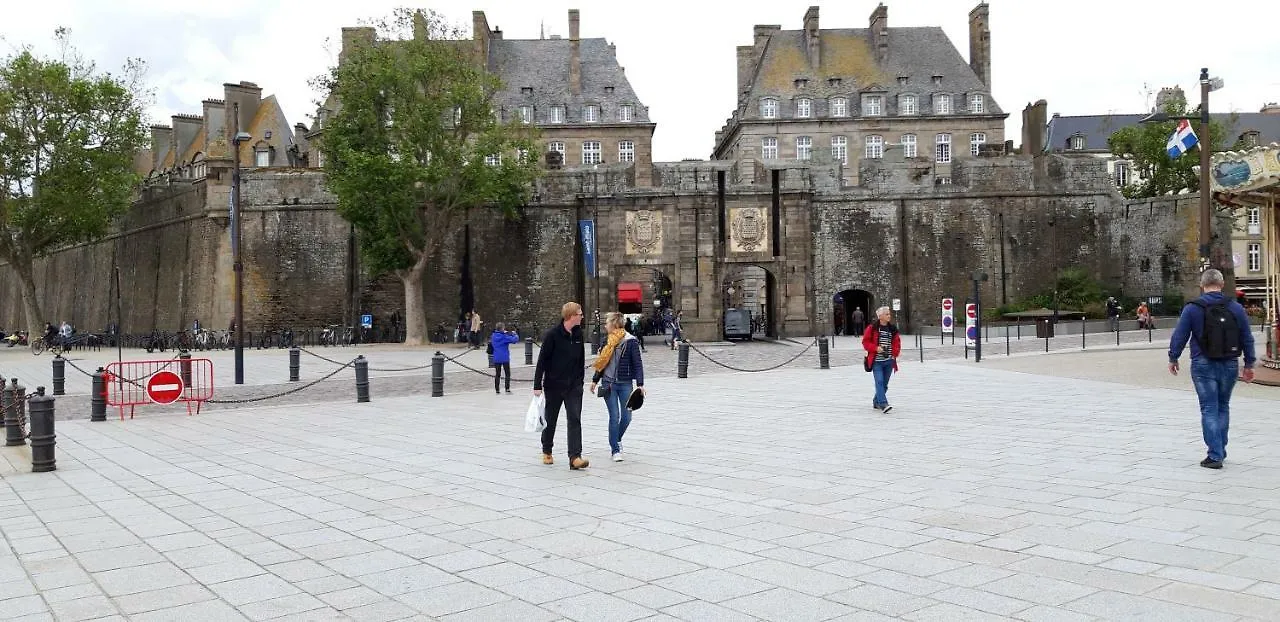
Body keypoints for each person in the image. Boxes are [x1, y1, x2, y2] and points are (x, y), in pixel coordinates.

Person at [1168, 269, 1256, 469]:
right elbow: (1247, 337)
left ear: (1202, 285)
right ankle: (1220, 450)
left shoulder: (1192, 308)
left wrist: (1173, 357)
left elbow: (1180, 335)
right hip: (1230, 363)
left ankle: (1215, 454)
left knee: (1209, 408)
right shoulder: (1235, 307)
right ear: (1222, 284)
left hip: (1202, 363)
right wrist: (1249, 364)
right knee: (1223, 406)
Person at [533, 302, 590, 470]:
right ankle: (547, 450)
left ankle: (575, 457)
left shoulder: (579, 335)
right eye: (580, 314)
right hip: (554, 385)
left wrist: (580, 381)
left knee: (575, 418)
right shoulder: (552, 335)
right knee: (551, 419)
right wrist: (537, 385)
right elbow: (542, 360)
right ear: (571, 316)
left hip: (573, 386)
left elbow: (580, 360)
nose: (582, 316)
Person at [590, 312, 646, 462]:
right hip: (608, 384)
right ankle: (615, 449)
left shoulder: (630, 341)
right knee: (614, 416)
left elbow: (638, 364)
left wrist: (640, 384)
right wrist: (595, 380)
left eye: (607, 322)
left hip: (625, 383)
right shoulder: (606, 341)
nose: (605, 325)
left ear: (614, 324)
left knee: (627, 417)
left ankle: (616, 439)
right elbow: (601, 363)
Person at [862, 306, 901, 413]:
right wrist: (876, 348)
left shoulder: (893, 329)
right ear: (880, 316)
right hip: (876, 362)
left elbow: (897, 343)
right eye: (887, 314)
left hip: (889, 361)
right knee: (879, 381)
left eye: (889, 314)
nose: (889, 316)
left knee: (884, 384)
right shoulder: (872, 328)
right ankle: (883, 403)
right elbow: (865, 342)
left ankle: (876, 401)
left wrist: (894, 354)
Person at [490, 323, 520, 394]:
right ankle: (507, 388)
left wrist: (505, 333)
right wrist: (514, 334)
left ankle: (497, 389)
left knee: (497, 374)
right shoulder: (504, 337)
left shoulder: (493, 336)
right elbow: (514, 340)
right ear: (502, 329)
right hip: (505, 357)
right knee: (507, 373)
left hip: (496, 357)